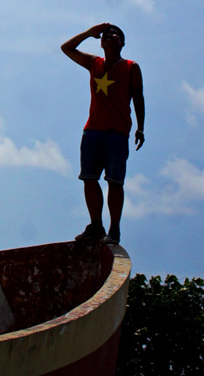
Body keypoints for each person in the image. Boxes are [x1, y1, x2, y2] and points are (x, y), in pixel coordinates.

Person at [61, 22, 145, 245]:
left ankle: (114, 229)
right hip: (93, 130)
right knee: (89, 178)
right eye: (106, 34)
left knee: (115, 181)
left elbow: (138, 96)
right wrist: (89, 33)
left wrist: (141, 127)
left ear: (122, 42)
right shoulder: (94, 63)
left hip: (117, 132)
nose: (110, 36)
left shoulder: (130, 67)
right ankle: (96, 225)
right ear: (100, 42)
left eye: (115, 34)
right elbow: (66, 48)